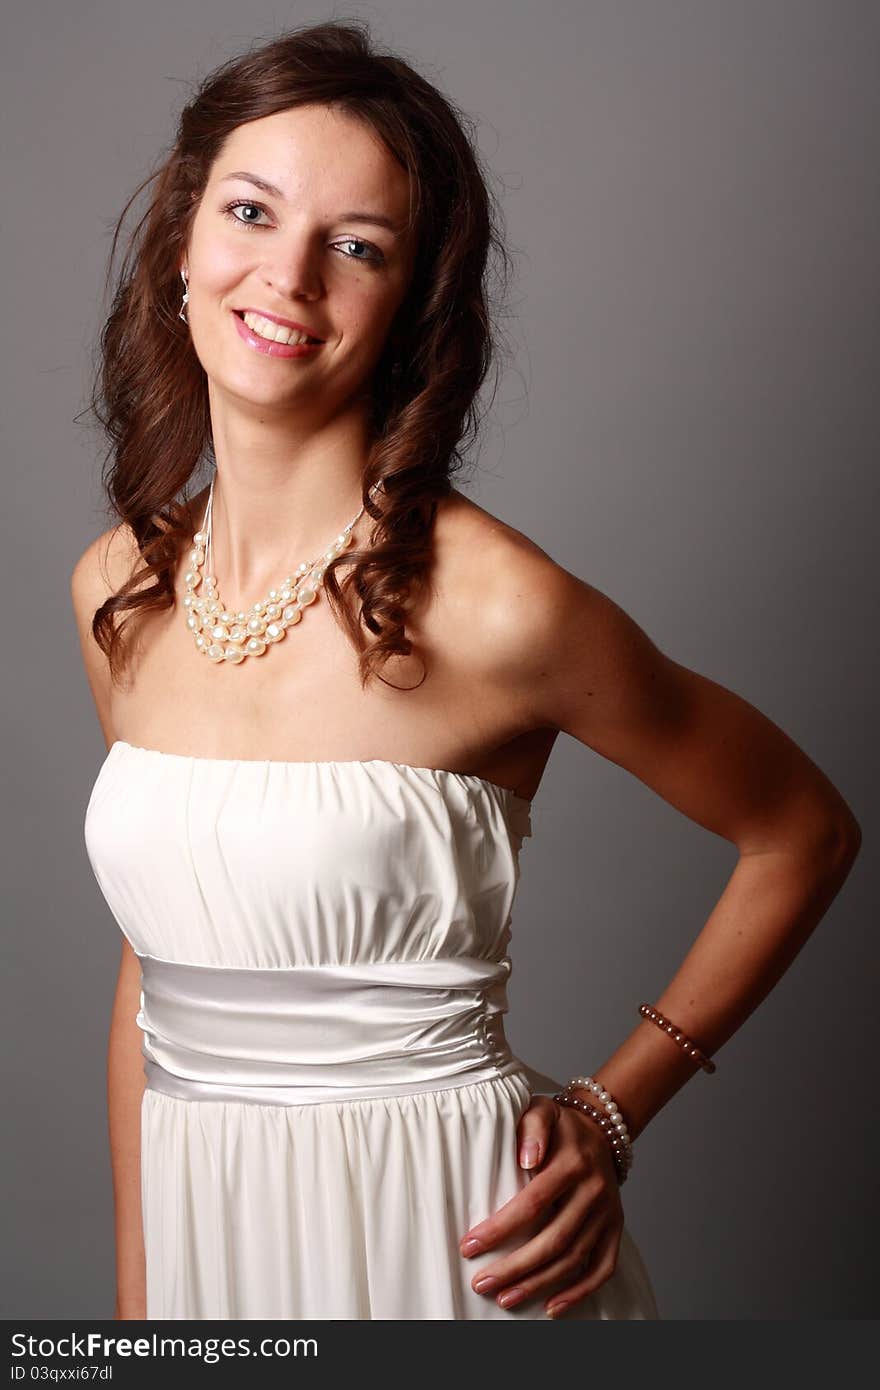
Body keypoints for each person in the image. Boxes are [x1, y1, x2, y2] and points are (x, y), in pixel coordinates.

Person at [69, 21, 861, 1322]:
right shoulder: (120, 591)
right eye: (251, 212)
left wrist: (613, 1110)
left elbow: (803, 828)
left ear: (411, 302)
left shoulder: (496, 605)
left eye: (358, 247)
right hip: (215, 1249)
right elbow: (153, 973)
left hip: (450, 1245)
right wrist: (145, 1304)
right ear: (180, 242)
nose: (288, 275)